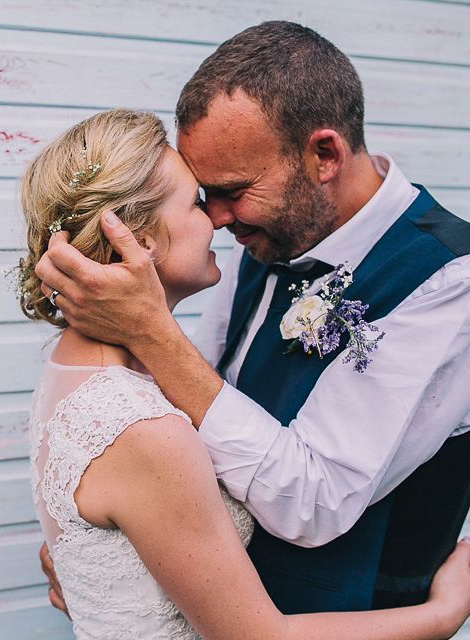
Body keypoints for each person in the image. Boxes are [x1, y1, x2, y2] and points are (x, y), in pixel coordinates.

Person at [35, 20, 470, 615]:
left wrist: (151, 331)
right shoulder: (268, 233)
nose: (214, 217)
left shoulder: (450, 280)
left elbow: (314, 501)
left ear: (324, 155)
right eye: (201, 194)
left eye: (231, 190)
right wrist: (101, 549)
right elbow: (198, 399)